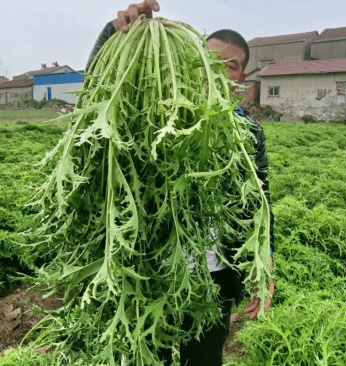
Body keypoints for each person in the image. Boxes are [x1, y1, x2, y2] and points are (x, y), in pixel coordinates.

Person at [87, 2, 274, 365]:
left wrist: (262, 266)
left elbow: (261, 203)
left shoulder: (249, 133)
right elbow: (101, 90)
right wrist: (116, 33)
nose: (216, 69)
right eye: (209, 58)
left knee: (204, 359)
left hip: (215, 276)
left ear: (241, 77)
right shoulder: (158, 113)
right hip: (155, 271)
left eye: (230, 65)